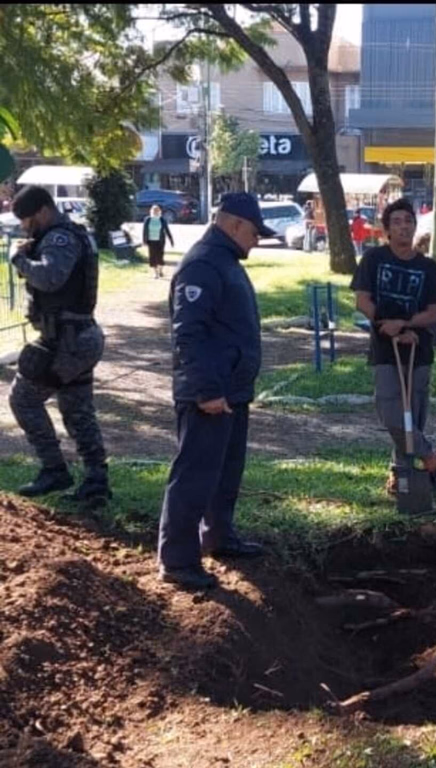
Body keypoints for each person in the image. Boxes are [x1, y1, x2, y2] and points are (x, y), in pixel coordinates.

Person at [156, 192, 275, 589]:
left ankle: (219, 537)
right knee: (195, 474)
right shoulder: (204, 264)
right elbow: (188, 332)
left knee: (225, 472)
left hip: (232, 390)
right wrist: (206, 389)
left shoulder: (224, 261)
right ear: (235, 224)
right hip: (209, 392)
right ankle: (177, 560)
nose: (257, 240)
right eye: (255, 232)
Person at [7, 187, 110, 506]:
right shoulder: (71, 234)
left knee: (23, 399)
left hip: (67, 340)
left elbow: (50, 278)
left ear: (42, 211)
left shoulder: (59, 239)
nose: (25, 227)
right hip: (77, 337)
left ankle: (54, 469)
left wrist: (20, 259)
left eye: (26, 220)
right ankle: (96, 482)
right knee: (77, 410)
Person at [351, 198, 436, 497]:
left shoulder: (429, 267)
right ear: (387, 230)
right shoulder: (373, 259)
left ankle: (402, 477)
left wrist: (406, 326)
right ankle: (431, 456)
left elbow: (435, 312)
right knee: (390, 411)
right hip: (384, 349)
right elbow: (362, 300)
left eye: (408, 221)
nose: (404, 226)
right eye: (397, 222)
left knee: (413, 416)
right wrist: (386, 324)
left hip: (419, 351)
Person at [141, 204, 175, 279]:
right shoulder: (148, 219)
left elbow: (167, 230)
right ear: (151, 211)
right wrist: (144, 241)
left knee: (160, 256)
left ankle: (160, 271)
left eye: (157, 211)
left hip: (160, 241)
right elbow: (145, 231)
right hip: (151, 241)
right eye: (154, 211)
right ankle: (156, 274)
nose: (155, 212)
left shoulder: (162, 220)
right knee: (152, 257)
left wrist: (171, 240)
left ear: (159, 211)